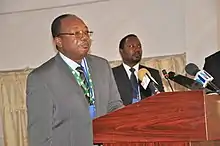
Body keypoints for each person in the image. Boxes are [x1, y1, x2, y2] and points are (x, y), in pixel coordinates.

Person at [26, 14, 123, 146]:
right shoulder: (41, 78)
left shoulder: (102, 66)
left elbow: (115, 107)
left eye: (86, 32)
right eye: (76, 33)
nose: (84, 37)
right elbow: (40, 136)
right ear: (59, 41)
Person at [112, 34, 164, 105]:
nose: (137, 49)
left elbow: (161, 100)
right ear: (121, 51)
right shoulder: (112, 75)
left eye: (139, 46)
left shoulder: (152, 73)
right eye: (131, 46)